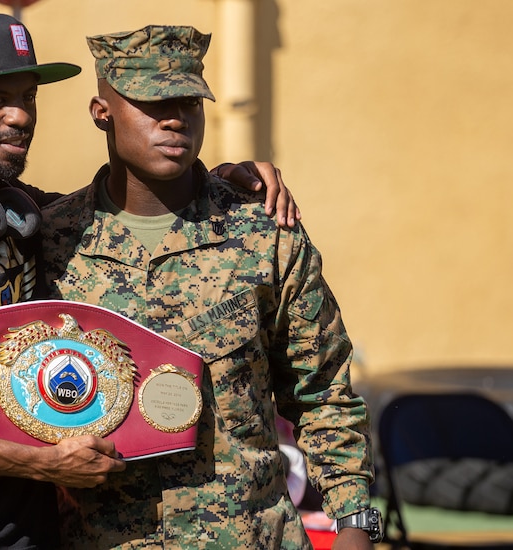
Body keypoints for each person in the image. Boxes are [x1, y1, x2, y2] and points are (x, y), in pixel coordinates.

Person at [0, 13, 299, 550]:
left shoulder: (28, 216)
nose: (20, 115)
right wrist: (43, 463)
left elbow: (129, 207)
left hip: (31, 536)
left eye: (28, 97)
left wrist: (212, 182)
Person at [41, 25, 378, 549]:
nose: (174, 118)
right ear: (101, 112)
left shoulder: (262, 231)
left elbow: (324, 394)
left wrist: (355, 525)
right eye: (153, 103)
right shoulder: (54, 243)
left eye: (189, 102)